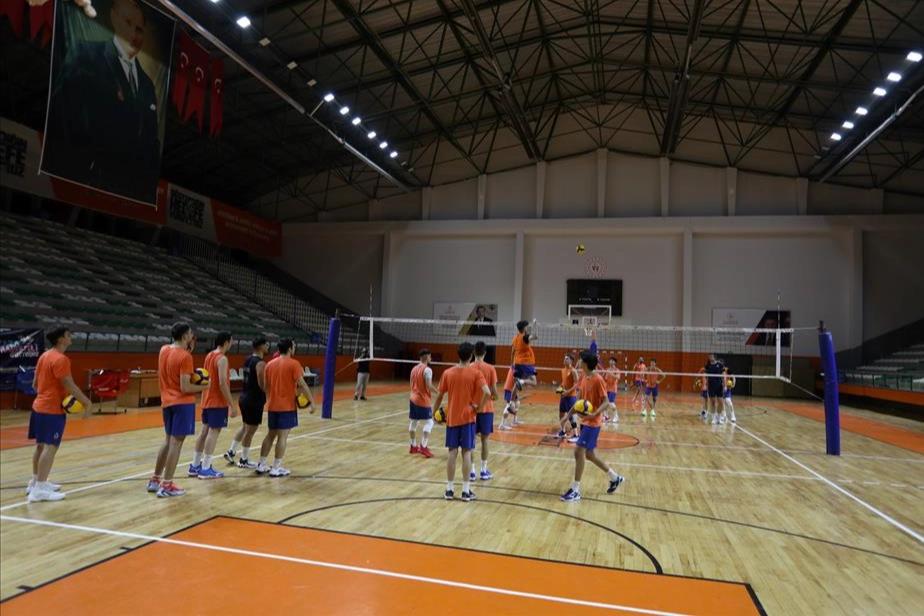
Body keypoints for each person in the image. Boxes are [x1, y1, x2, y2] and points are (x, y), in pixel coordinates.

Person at [42, 0, 161, 203]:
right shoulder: (85, 54)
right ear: (114, 17)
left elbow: (151, 145)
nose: (133, 34)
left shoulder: (148, 85)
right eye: (128, 23)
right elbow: (61, 115)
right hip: (83, 180)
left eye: (139, 29)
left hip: (127, 191)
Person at [26, 327, 93, 502]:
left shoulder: (44, 355)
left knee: (40, 446)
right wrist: (87, 402)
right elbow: (69, 384)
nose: (71, 337)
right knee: (51, 447)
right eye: (68, 335)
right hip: (51, 410)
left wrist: (45, 393)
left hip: (39, 406)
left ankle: (36, 482)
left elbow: (35, 384)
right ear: (61, 339)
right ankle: (39, 489)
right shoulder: (61, 359)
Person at [148, 323, 208, 498]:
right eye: (190, 333)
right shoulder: (185, 357)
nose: (192, 335)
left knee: (167, 441)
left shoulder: (164, 350)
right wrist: (206, 386)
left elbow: (173, 366)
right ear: (184, 336)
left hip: (166, 402)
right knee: (176, 443)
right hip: (182, 403)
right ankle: (167, 485)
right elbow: (185, 386)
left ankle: (155, 480)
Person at [560, 351, 625, 502]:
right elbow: (578, 402)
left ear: (585, 363)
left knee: (578, 452)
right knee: (589, 455)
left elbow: (606, 402)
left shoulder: (598, 379)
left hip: (593, 423)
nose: (578, 362)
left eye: (580, 360)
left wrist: (595, 413)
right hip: (585, 422)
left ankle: (575, 490)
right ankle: (615, 477)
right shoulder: (583, 377)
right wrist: (567, 416)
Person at [431, 342, 490, 502]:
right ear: (471, 356)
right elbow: (487, 392)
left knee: (452, 452)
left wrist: (433, 413)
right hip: (468, 418)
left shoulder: (448, 373)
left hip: (452, 418)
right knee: (466, 452)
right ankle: (465, 491)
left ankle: (449, 489)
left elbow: (439, 395)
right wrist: (479, 408)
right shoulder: (476, 373)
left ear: (458, 355)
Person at [258, 339, 314, 476]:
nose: (294, 348)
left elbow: (265, 386)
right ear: (289, 349)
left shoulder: (269, 364)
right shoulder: (294, 364)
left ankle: (261, 464)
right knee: (282, 437)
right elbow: (302, 384)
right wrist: (312, 402)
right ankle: (276, 468)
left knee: (270, 435)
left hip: (272, 405)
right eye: (293, 346)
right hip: (287, 406)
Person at [188, 332, 237, 479]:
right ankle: (206, 467)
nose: (232, 343)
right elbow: (222, 383)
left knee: (204, 431)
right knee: (213, 432)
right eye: (231, 341)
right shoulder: (222, 359)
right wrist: (231, 404)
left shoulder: (209, 355)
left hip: (207, 399)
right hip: (217, 401)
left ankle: (195, 465)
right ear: (226, 342)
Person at [225, 338, 268, 468]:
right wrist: (270, 391)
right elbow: (262, 383)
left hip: (244, 396)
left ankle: (231, 451)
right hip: (254, 399)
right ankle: (244, 459)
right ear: (261, 346)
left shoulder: (247, 359)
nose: (267, 346)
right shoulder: (260, 363)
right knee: (251, 430)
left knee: (245, 427)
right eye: (266, 344)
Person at [470, 341, 498, 481]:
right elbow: (494, 392)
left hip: (471, 409)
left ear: (473, 353)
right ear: (485, 353)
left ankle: (471, 472)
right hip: (486, 409)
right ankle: (483, 470)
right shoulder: (490, 368)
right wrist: (495, 397)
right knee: (485, 439)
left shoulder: (468, 367)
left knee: (471, 440)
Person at [408, 348, 438, 458]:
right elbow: (428, 386)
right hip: (422, 400)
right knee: (430, 423)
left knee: (413, 422)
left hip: (413, 398)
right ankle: (423, 446)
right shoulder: (427, 370)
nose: (431, 358)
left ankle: (413, 446)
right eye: (430, 356)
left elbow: (411, 383)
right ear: (427, 357)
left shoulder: (414, 369)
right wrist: (438, 392)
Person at [556, 353, 580, 440]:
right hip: (563, 396)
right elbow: (564, 382)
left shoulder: (573, 371)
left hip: (571, 397)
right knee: (561, 414)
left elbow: (577, 384)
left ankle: (576, 434)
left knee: (571, 416)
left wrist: (568, 392)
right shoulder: (563, 370)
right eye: (564, 358)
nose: (564, 360)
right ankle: (563, 431)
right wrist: (560, 387)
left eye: (566, 359)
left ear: (571, 361)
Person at [511, 320, 538, 390]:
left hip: (517, 363)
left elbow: (512, 352)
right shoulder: (524, 337)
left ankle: (512, 397)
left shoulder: (514, 338)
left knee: (516, 384)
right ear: (524, 328)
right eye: (526, 327)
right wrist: (534, 325)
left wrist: (512, 363)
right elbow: (535, 336)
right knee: (534, 382)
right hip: (526, 363)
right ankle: (521, 381)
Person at [704, 354, 726, 425]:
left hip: (719, 386)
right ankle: (714, 417)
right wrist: (704, 385)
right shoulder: (707, 365)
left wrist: (725, 385)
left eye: (711, 356)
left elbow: (724, 375)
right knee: (712, 402)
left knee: (721, 402)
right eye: (709, 356)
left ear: (715, 357)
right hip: (711, 386)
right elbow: (705, 376)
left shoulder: (720, 365)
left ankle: (719, 418)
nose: (710, 357)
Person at [603, 356, 621, 423]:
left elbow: (618, 378)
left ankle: (616, 416)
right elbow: (605, 379)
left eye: (612, 360)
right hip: (606, 389)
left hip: (613, 389)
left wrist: (611, 373)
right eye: (610, 360)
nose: (611, 361)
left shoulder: (617, 370)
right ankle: (606, 417)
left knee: (611, 403)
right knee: (605, 403)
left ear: (615, 362)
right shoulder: (607, 369)